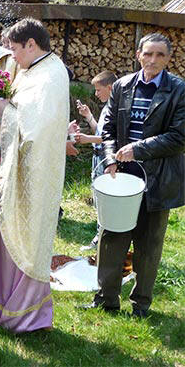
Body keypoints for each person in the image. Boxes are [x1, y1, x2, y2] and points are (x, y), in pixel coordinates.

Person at [0, 17, 70, 332]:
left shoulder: (51, 76)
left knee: (25, 242)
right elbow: (1, 56)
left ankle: (24, 314)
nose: (12, 56)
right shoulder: (30, 65)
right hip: (10, 172)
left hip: (31, 179)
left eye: (16, 49)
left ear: (31, 45)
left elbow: (35, 130)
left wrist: (2, 112)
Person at [83, 33, 185, 318]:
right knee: (111, 238)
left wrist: (138, 149)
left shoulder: (179, 90)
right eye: (148, 54)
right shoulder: (122, 85)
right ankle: (106, 300)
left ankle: (141, 304)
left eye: (160, 55)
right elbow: (108, 129)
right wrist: (109, 160)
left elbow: (179, 137)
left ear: (168, 59)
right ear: (138, 54)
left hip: (159, 179)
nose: (153, 60)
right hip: (121, 177)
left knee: (149, 244)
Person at [74, 71, 117, 250]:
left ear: (110, 88)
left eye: (99, 90)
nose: (96, 94)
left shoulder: (115, 108)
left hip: (105, 159)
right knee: (98, 200)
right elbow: (100, 131)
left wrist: (87, 139)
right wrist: (89, 116)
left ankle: (102, 239)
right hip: (96, 158)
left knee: (104, 201)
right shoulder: (107, 107)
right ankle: (100, 237)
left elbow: (111, 138)